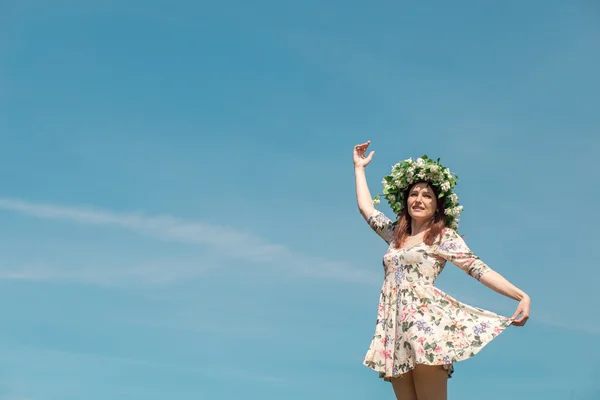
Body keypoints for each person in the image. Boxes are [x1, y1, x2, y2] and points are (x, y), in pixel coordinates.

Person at [353, 141, 530, 400]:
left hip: (425, 328)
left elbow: (478, 268)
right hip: (394, 331)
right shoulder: (395, 236)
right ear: (406, 200)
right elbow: (366, 209)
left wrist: (520, 296)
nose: (419, 200)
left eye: (427, 196)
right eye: (414, 194)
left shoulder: (442, 237)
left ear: (437, 206)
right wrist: (359, 168)